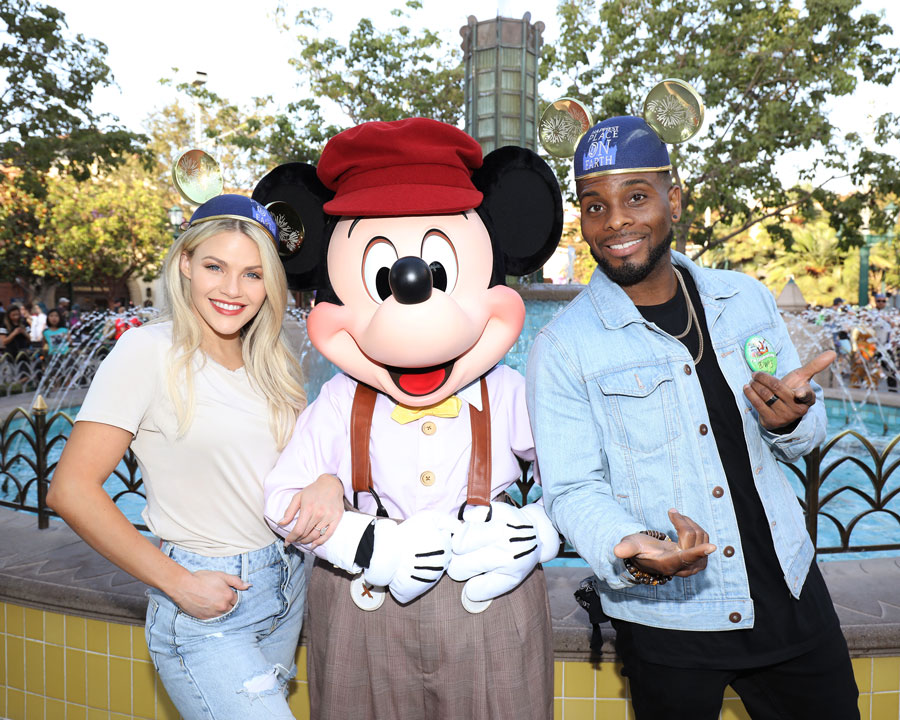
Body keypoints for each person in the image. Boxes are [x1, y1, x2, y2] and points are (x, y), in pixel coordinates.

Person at [526, 115, 859, 719]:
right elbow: (572, 489)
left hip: (790, 592)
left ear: (672, 200)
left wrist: (789, 421)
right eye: (595, 207)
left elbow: (804, 437)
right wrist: (627, 548)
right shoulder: (564, 347)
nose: (617, 222)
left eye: (636, 197)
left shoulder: (746, 301)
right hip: (667, 620)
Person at [47, 194, 336, 720]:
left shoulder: (272, 359)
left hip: (287, 583)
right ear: (185, 264)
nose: (232, 289)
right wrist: (179, 583)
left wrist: (327, 483)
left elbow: (302, 462)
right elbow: (70, 490)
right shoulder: (146, 352)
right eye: (214, 267)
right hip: (207, 600)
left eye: (252, 274)